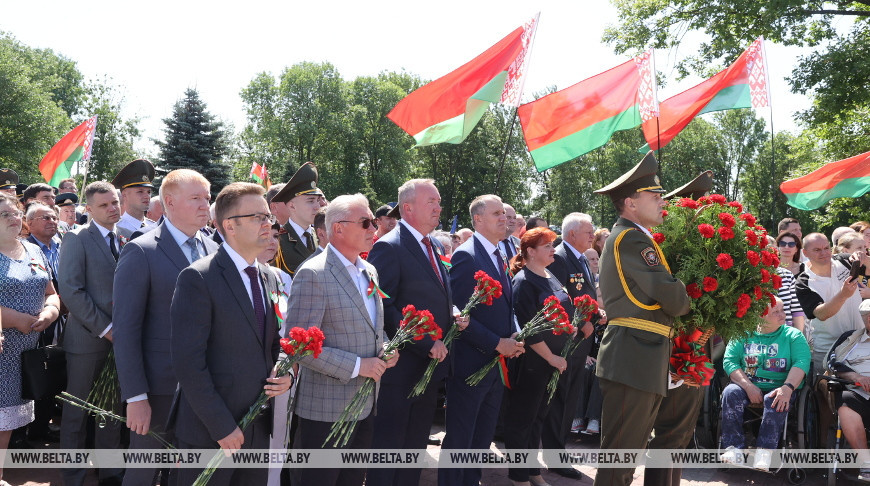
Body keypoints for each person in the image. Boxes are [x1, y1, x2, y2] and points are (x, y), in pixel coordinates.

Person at [170, 183, 292, 485]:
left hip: (257, 426)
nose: (269, 223)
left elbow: (275, 342)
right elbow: (189, 364)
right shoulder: (198, 277)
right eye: (258, 217)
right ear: (230, 226)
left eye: (268, 216)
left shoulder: (268, 276)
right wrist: (221, 427)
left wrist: (286, 370)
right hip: (210, 432)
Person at [112, 169, 219, 486]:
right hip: (158, 390)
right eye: (196, 198)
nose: (205, 205)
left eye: (207, 198)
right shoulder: (141, 251)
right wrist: (136, 397)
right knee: (144, 470)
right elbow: (126, 331)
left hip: (205, 387)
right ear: (169, 202)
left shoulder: (215, 249)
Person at [591, 151, 691, 486]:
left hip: (640, 354)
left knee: (624, 458)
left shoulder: (634, 236)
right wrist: (683, 293)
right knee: (619, 460)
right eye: (655, 195)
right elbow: (673, 298)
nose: (663, 201)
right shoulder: (632, 237)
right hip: (633, 354)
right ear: (631, 202)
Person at [286, 193, 395, 486]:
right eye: (366, 222)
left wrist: (385, 347)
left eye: (373, 221)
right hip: (325, 410)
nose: (374, 228)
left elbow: (374, 325)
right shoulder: (314, 273)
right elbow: (299, 346)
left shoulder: (368, 270)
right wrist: (359, 365)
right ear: (338, 228)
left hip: (365, 404)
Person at [367, 179, 466, 486]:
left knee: (414, 446)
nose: (439, 207)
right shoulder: (389, 246)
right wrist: (425, 342)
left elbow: (431, 292)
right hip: (403, 367)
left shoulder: (432, 244)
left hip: (431, 366)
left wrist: (452, 313)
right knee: (391, 445)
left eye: (438, 201)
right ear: (407, 208)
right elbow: (384, 304)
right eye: (431, 202)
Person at [439, 194, 525, 486]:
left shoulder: (499, 252)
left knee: (481, 437)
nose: (505, 218)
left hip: (494, 364)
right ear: (478, 220)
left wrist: (512, 333)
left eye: (505, 213)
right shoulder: (467, 255)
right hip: (470, 363)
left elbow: (505, 305)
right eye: (497, 214)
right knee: (461, 437)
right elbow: (459, 315)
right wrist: (497, 343)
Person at [644, 170, 714, 486]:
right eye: (697, 209)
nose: (704, 217)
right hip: (676, 347)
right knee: (670, 431)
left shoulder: (704, 251)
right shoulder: (663, 250)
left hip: (698, 345)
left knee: (682, 433)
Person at [57, 181, 126, 486]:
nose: (113, 209)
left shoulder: (122, 238)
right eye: (104, 205)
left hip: (119, 342)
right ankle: (72, 475)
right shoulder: (77, 239)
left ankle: (109, 471)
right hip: (87, 341)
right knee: (76, 412)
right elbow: (72, 292)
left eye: (115, 203)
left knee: (109, 409)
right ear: (89, 209)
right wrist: (108, 329)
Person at [505, 227, 583, 486]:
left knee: (538, 417)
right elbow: (528, 328)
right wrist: (551, 357)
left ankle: (532, 472)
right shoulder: (524, 281)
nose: (553, 250)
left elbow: (561, 307)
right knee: (522, 420)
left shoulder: (549, 273)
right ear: (530, 251)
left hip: (553, 361)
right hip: (534, 363)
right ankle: (518, 477)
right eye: (547, 246)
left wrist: (569, 326)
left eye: (552, 245)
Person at [0, 193, 60, 484]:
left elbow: (51, 293)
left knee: (5, 423)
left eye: (15, 213)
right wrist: (15, 319)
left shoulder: (32, 251)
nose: (14, 219)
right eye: (4, 215)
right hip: (2, 349)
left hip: (24, 355)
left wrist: (50, 312)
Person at [719, 297, 811, 471]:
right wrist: (748, 386)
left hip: (782, 385)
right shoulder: (743, 333)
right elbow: (730, 361)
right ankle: (734, 449)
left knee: (775, 398)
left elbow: (802, 362)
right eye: (775, 312)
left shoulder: (793, 335)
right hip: (749, 384)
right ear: (759, 315)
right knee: (730, 392)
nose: (782, 314)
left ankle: (765, 452)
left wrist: (787, 388)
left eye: (782, 310)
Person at [544, 212, 599, 480]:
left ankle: (559, 449)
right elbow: (555, 301)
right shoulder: (558, 258)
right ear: (571, 234)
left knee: (569, 398)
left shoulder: (579, 257)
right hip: (566, 341)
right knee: (561, 398)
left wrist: (596, 313)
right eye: (588, 231)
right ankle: (554, 455)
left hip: (581, 341)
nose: (592, 235)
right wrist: (583, 321)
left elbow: (582, 293)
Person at [796, 233, 867, 368]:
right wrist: (843, 295)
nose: (824, 253)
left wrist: (864, 258)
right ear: (805, 253)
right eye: (817, 250)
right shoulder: (804, 281)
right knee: (827, 387)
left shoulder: (844, 260)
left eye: (826, 248)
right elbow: (821, 314)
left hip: (861, 342)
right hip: (828, 349)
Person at [828, 299, 870, 481]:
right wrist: (856, 377)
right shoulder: (851, 339)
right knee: (845, 401)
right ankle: (866, 464)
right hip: (857, 392)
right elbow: (833, 363)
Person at [271, 162, 327, 277]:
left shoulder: (321, 236)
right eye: (310, 201)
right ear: (292, 206)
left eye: (317, 200)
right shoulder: (278, 240)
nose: (317, 206)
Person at [113, 159, 158, 234]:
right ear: (124, 194)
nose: (147, 196)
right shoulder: (115, 229)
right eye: (140, 191)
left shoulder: (155, 227)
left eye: (149, 192)